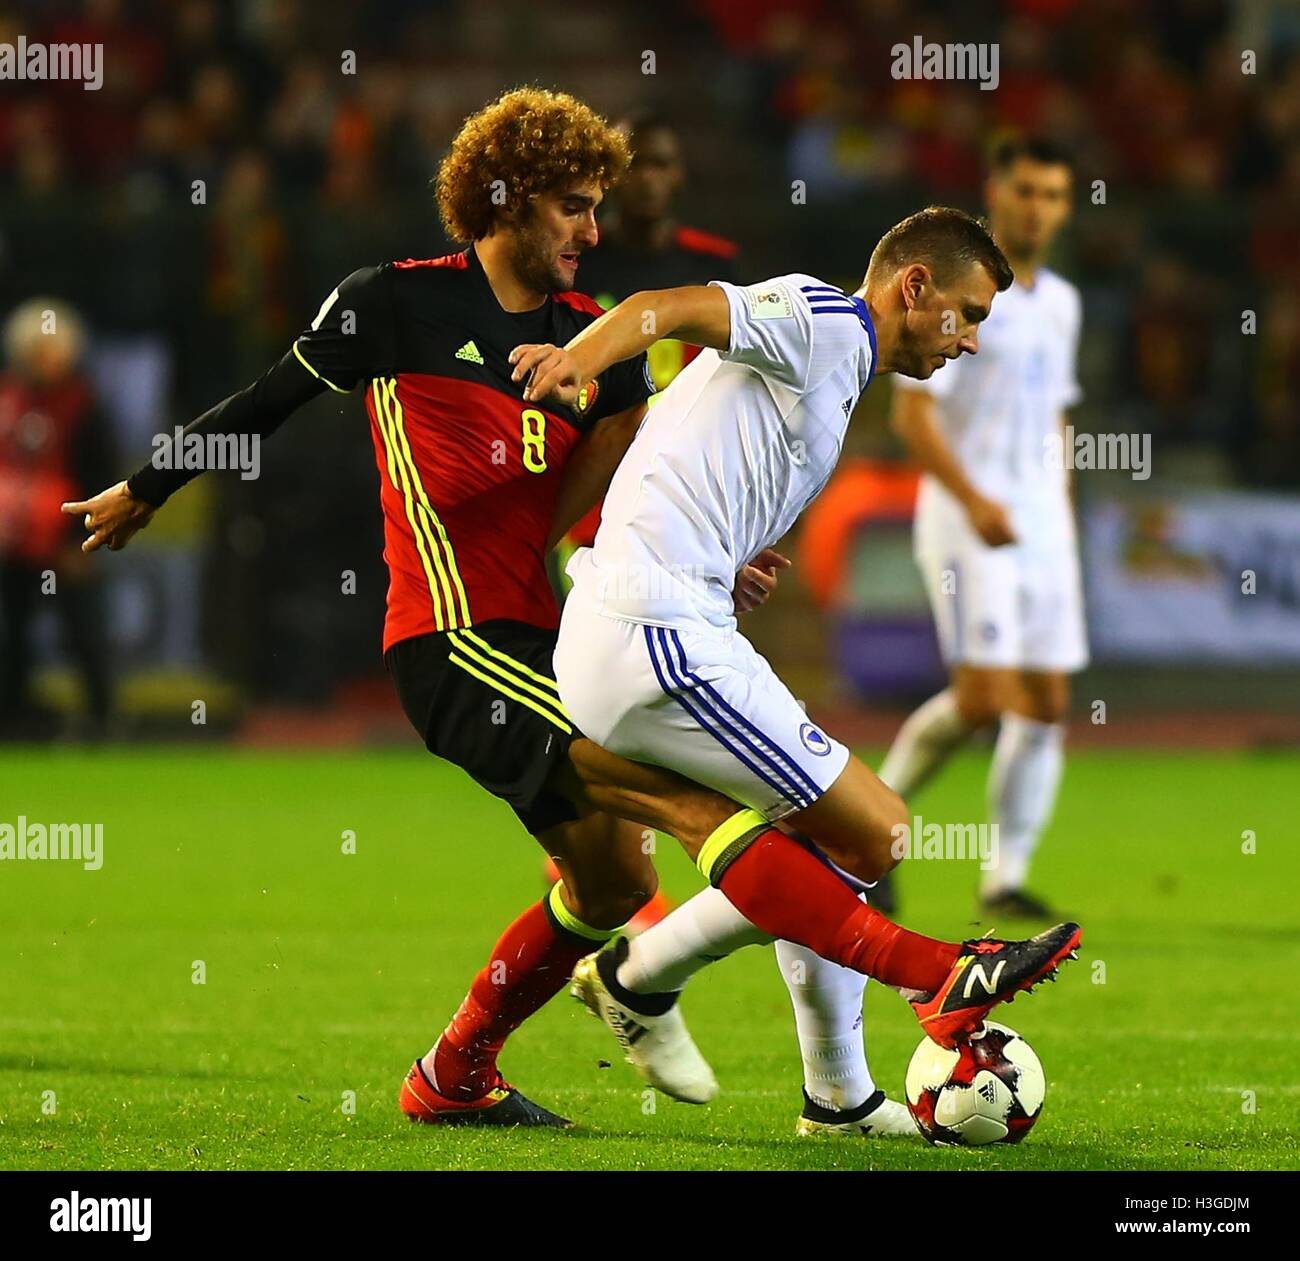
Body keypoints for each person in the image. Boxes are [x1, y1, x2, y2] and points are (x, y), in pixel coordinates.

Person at [507, 206, 1082, 1103]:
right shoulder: (823, 321)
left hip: (668, 621)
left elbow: (690, 453)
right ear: (914, 285)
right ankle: (649, 979)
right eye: (964, 314)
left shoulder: (839, 370)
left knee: (833, 840)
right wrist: (583, 356)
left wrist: (727, 558)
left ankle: (828, 1091)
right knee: (877, 827)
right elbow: (671, 307)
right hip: (652, 633)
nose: (967, 340)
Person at [882, 137, 1085, 919]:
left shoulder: (1061, 302)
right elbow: (912, 411)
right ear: (996, 192)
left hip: (1041, 524)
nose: (1038, 208)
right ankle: (871, 817)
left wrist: (1056, 511)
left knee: (1046, 699)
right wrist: (975, 501)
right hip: (967, 515)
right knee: (981, 696)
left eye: (1054, 194)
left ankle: (1004, 876)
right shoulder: (964, 293)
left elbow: (1056, 417)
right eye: (1026, 190)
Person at [0, 298, 116, 739]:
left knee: (83, 631)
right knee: (14, 633)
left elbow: (99, 475)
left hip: (67, 539)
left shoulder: (83, 405)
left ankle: (101, 718)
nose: (39, 360)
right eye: (31, 350)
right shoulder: (8, 397)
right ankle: (15, 715)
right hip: (13, 541)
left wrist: (80, 538)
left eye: (46, 350)